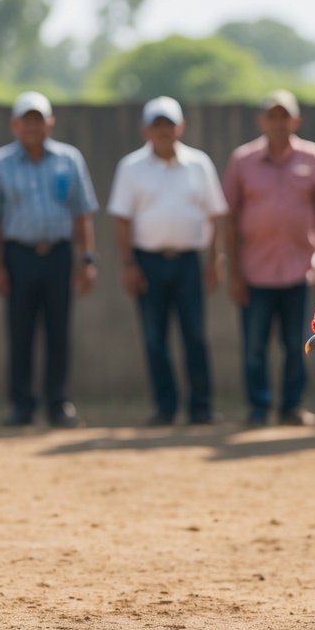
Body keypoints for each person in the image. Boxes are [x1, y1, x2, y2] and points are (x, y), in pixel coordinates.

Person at [0, 91, 99, 428]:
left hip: (58, 255)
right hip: (19, 255)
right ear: (15, 124)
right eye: (26, 120)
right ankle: (22, 405)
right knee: (20, 331)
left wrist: (86, 259)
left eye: (38, 119)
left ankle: (59, 404)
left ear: (50, 122)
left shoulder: (69, 160)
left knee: (59, 331)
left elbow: (82, 214)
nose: (33, 126)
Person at [222, 89, 315, 426]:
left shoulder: (311, 157)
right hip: (254, 270)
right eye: (271, 116)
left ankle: (291, 406)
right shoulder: (242, 160)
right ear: (261, 121)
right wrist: (232, 271)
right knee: (254, 346)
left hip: (300, 270)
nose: (278, 122)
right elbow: (229, 218)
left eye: (284, 116)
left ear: (296, 120)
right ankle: (258, 407)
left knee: (297, 344)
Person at [108, 96, 228, 426]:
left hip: (190, 260)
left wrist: (215, 259)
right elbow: (122, 220)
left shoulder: (199, 164)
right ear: (146, 129)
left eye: (168, 125)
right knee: (154, 338)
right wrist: (129, 264)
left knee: (195, 336)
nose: (163, 131)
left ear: (180, 127)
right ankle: (165, 407)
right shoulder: (131, 167)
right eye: (157, 125)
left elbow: (215, 215)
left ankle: (201, 407)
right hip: (148, 262)